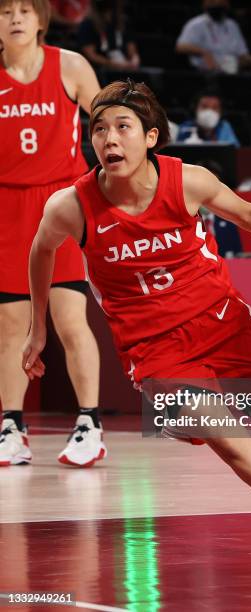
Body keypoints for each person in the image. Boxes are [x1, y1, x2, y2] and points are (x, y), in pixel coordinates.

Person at [23, 79, 251, 560]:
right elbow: (41, 251)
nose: (108, 139)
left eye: (122, 127)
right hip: (154, 350)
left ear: (150, 137)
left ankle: (229, 406)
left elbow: (249, 213)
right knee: (228, 440)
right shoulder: (72, 206)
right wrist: (37, 328)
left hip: (222, 321)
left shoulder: (188, 180)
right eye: (98, 128)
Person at [0, 0, 106, 467]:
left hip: (60, 202)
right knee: (9, 326)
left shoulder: (71, 65)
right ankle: (11, 427)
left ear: (42, 20)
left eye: (25, 11)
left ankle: (89, 423)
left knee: (68, 318)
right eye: (5, 12)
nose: (15, 19)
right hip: (5, 204)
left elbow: (107, 123)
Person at [175, 0, 251, 74]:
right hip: (206, 74)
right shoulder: (196, 23)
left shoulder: (232, 25)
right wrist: (204, 52)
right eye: (212, 1)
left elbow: (242, 55)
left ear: (227, 4)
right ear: (204, 4)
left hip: (232, 72)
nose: (216, 3)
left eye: (220, 1)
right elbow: (180, 47)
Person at [77, 0, 140, 72]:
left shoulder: (123, 21)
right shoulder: (88, 24)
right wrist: (112, 63)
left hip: (125, 66)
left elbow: (131, 47)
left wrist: (135, 59)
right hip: (101, 70)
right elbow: (91, 55)